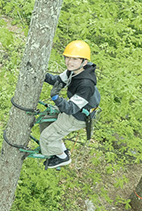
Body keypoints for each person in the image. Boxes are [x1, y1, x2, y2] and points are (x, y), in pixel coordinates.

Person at [41, 40, 99, 169]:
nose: (69, 62)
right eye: (67, 57)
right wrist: (42, 75)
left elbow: (71, 109)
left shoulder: (86, 84)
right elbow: (57, 80)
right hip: (73, 110)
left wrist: (56, 98)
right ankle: (60, 148)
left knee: (46, 137)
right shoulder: (73, 71)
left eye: (75, 59)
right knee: (46, 120)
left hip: (77, 117)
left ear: (84, 62)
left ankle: (62, 157)